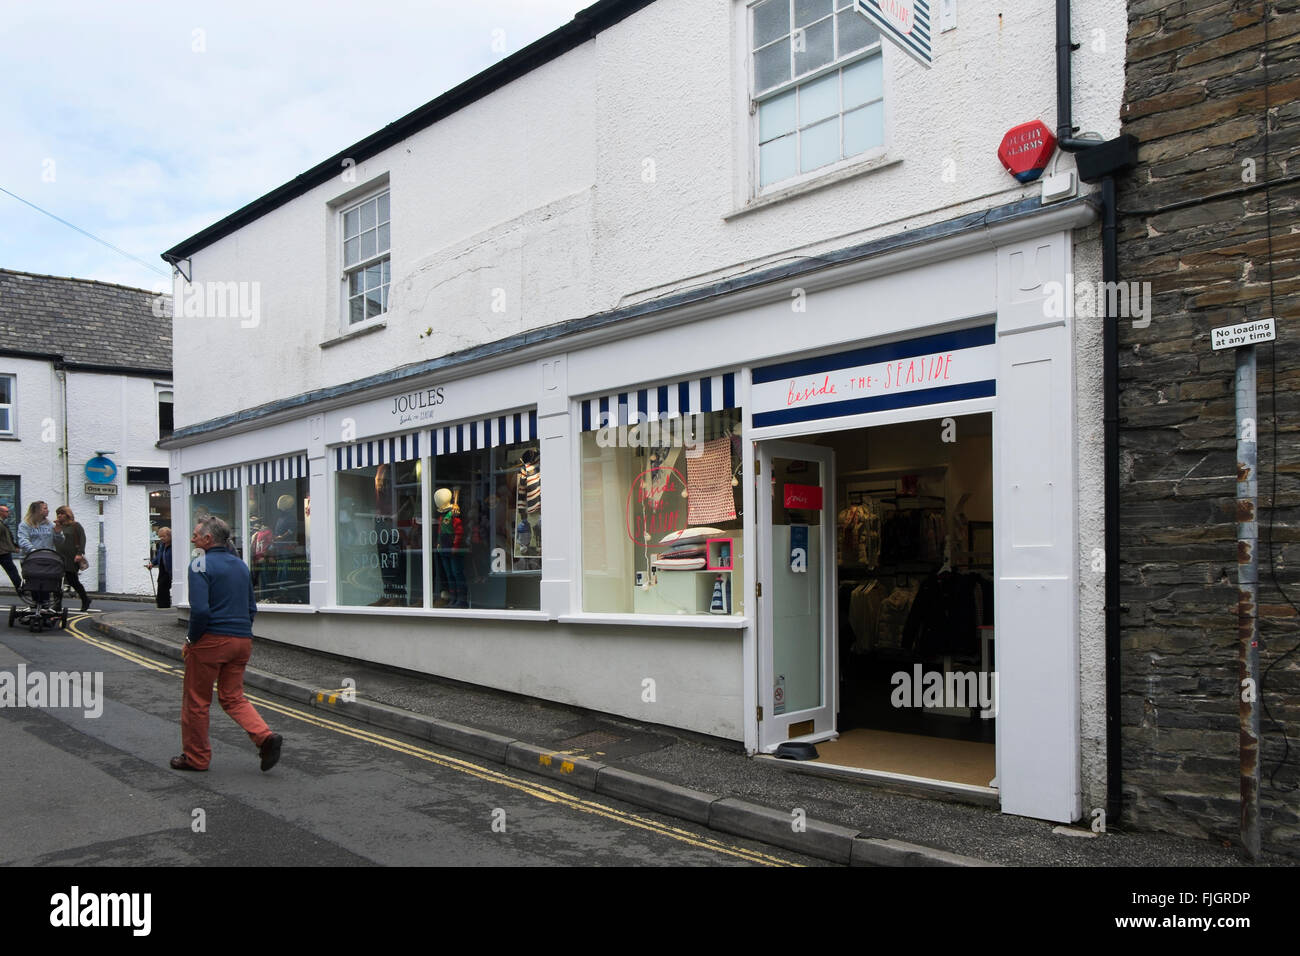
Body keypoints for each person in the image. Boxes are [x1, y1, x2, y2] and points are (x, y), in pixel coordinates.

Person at [171, 515, 282, 773]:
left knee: (196, 702)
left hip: (211, 640)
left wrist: (190, 640)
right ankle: (264, 737)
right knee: (233, 697)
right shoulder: (240, 565)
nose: (192, 538)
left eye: (196, 535)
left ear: (208, 539)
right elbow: (251, 607)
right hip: (242, 639)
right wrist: (241, 632)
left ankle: (195, 758)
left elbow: (200, 611)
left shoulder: (199, 564)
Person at [54, 506, 91, 612]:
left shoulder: (75, 526)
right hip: (59, 557)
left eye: (61, 513)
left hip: (71, 558)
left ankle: (85, 599)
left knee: (73, 581)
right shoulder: (58, 527)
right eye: (58, 514)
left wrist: (80, 553)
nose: (59, 516)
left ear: (67, 514)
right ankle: (57, 604)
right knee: (57, 581)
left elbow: (82, 539)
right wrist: (57, 528)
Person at [147, 527, 173, 609]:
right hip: (163, 570)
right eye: (160, 536)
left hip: (171, 570)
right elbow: (159, 556)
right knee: (161, 588)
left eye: (163, 536)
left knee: (166, 588)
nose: (161, 538)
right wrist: (152, 563)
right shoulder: (162, 545)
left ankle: (165, 606)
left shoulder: (173, 546)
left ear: (169, 536)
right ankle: (162, 606)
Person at [0, 504, 23, 592]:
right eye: (7, 511)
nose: (9, 513)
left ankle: (20, 587)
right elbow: (7, 538)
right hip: (3, 552)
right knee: (12, 571)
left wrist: (14, 547)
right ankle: (20, 588)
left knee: (12, 571)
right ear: (1, 512)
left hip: (4, 552)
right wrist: (13, 547)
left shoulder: (2, 523)